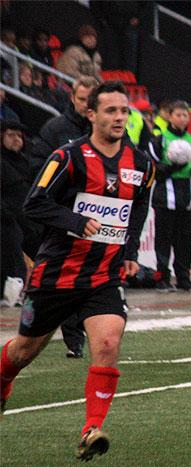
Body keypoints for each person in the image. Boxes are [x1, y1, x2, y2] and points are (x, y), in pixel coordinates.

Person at [0, 81, 154, 462]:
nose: (119, 118)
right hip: (57, 275)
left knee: (108, 343)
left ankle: (91, 429)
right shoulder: (68, 157)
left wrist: (129, 249)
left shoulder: (142, 164)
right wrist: (74, 220)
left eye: (124, 111)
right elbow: (34, 203)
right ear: (91, 114)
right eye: (111, 111)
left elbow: (138, 206)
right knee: (22, 352)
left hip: (103, 276)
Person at [29, 75, 100, 358]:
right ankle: (72, 339)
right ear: (72, 98)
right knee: (65, 276)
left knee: (95, 277)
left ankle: (91, 331)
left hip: (99, 217)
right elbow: (37, 166)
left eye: (91, 100)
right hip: (64, 216)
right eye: (82, 99)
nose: (86, 105)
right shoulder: (55, 129)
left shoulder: (107, 132)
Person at [147, 100, 191, 292]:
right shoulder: (159, 140)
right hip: (165, 198)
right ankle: (162, 278)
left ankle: (184, 278)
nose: (182, 118)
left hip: (186, 198)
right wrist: (174, 165)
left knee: (184, 241)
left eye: (185, 115)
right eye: (178, 115)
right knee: (163, 240)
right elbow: (154, 171)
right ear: (170, 116)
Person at [1, 119, 32, 307]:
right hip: (6, 218)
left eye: (19, 136)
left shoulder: (25, 161)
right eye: (11, 135)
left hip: (25, 216)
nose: (16, 139)